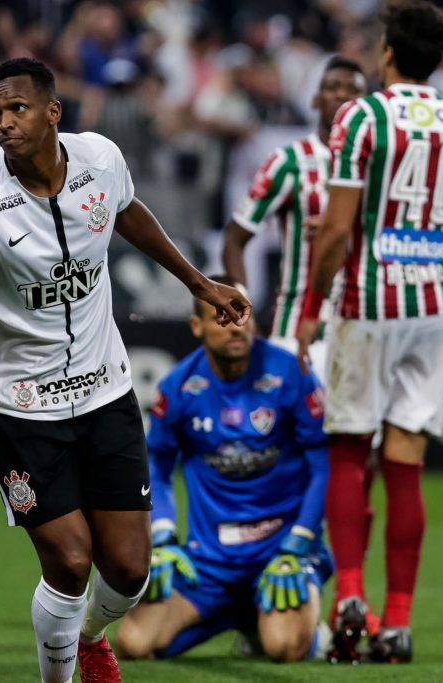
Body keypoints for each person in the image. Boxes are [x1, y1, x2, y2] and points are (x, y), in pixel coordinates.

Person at [0, 57, 251, 683]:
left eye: (16, 109)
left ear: (52, 112)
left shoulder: (99, 158)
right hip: (17, 407)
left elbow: (126, 212)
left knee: (128, 570)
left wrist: (200, 284)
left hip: (104, 389)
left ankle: (92, 639)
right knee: (70, 561)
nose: (4, 123)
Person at [296, 0, 443, 664]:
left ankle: (350, 596)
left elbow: (340, 228)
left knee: (349, 445)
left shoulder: (363, 117)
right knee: (407, 459)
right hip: (440, 300)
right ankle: (398, 622)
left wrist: (312, 302)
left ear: (388, 53)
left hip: (373, 297)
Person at [113, 276, 332, 662]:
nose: (236, 325)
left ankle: (312, 632)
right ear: (196, 327)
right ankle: (239, 614)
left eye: (242, 314)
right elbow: (158, 470)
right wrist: (163, 537)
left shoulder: (291, 373)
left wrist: (298, 543)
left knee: (284, 647)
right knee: (133, 643)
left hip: (280, 555)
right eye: (221, 316)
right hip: (209, 565)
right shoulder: (179, 387)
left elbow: (323, 465)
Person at [222, 56, 368, 383]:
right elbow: (235, 236)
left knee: (355, 435)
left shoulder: (378, 166)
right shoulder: (289, 162)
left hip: (361, 325)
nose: (341, 95)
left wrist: (344, 229)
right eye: (332, 87)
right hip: (293, 325)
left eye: (352, 90)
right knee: (285, 433)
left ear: (364, 106)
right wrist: (240, 302)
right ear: (316, 100)